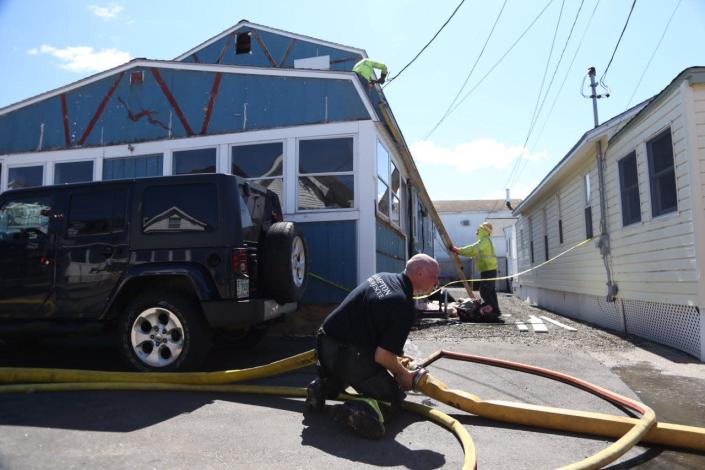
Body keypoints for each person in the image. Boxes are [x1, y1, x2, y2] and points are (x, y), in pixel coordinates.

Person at [305, 254, 439, 439]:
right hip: (349, 355)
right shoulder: (403, 305)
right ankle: (358, 411)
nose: (437, 282)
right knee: (393, 398)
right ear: (420, 273)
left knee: (351, 372)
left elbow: (374, 328)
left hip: (324, 346)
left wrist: (396, 357)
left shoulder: (382, 277)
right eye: (434, 276)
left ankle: (323, 386)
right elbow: (382, 357)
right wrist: (403, 374)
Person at [450, 222, 501, 316]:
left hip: (488, 269)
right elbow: (473, 253)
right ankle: (495, 311)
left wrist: (459, 250)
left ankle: (492, 311)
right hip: (489, 269)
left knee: (485, 291)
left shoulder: (484, 241)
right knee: (490, 291)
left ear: (483, 230)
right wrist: (460, 252)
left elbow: (473, 249)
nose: (477, 231)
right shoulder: (486, 240)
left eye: (479, 229)